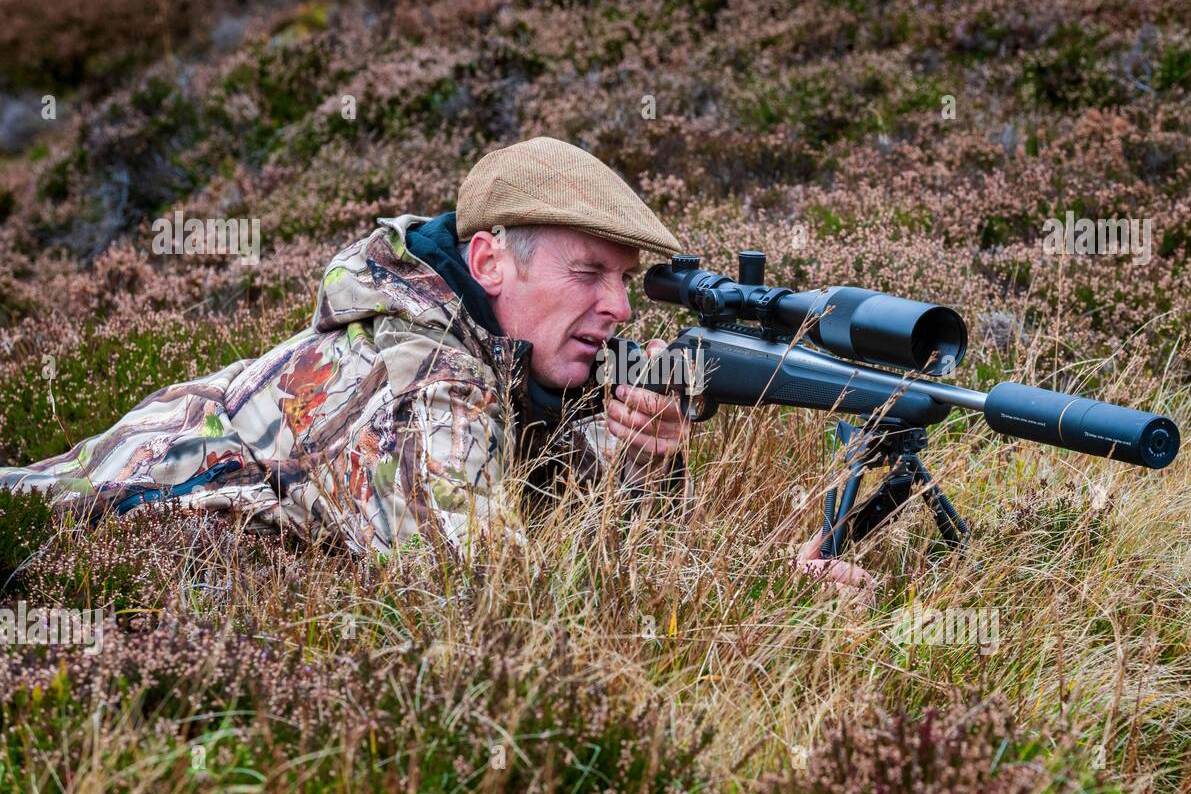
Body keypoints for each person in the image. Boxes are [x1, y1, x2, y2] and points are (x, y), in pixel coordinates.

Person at [0, 136, 870, 589]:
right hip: (45, 546)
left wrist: (648, 462)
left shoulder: (501, 357)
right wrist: (770, 592)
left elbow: (556, 514)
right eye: (589, 273)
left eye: (625, 281)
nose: (618, 305)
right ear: (490, 263)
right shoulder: (421, 380)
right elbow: (497, 603)